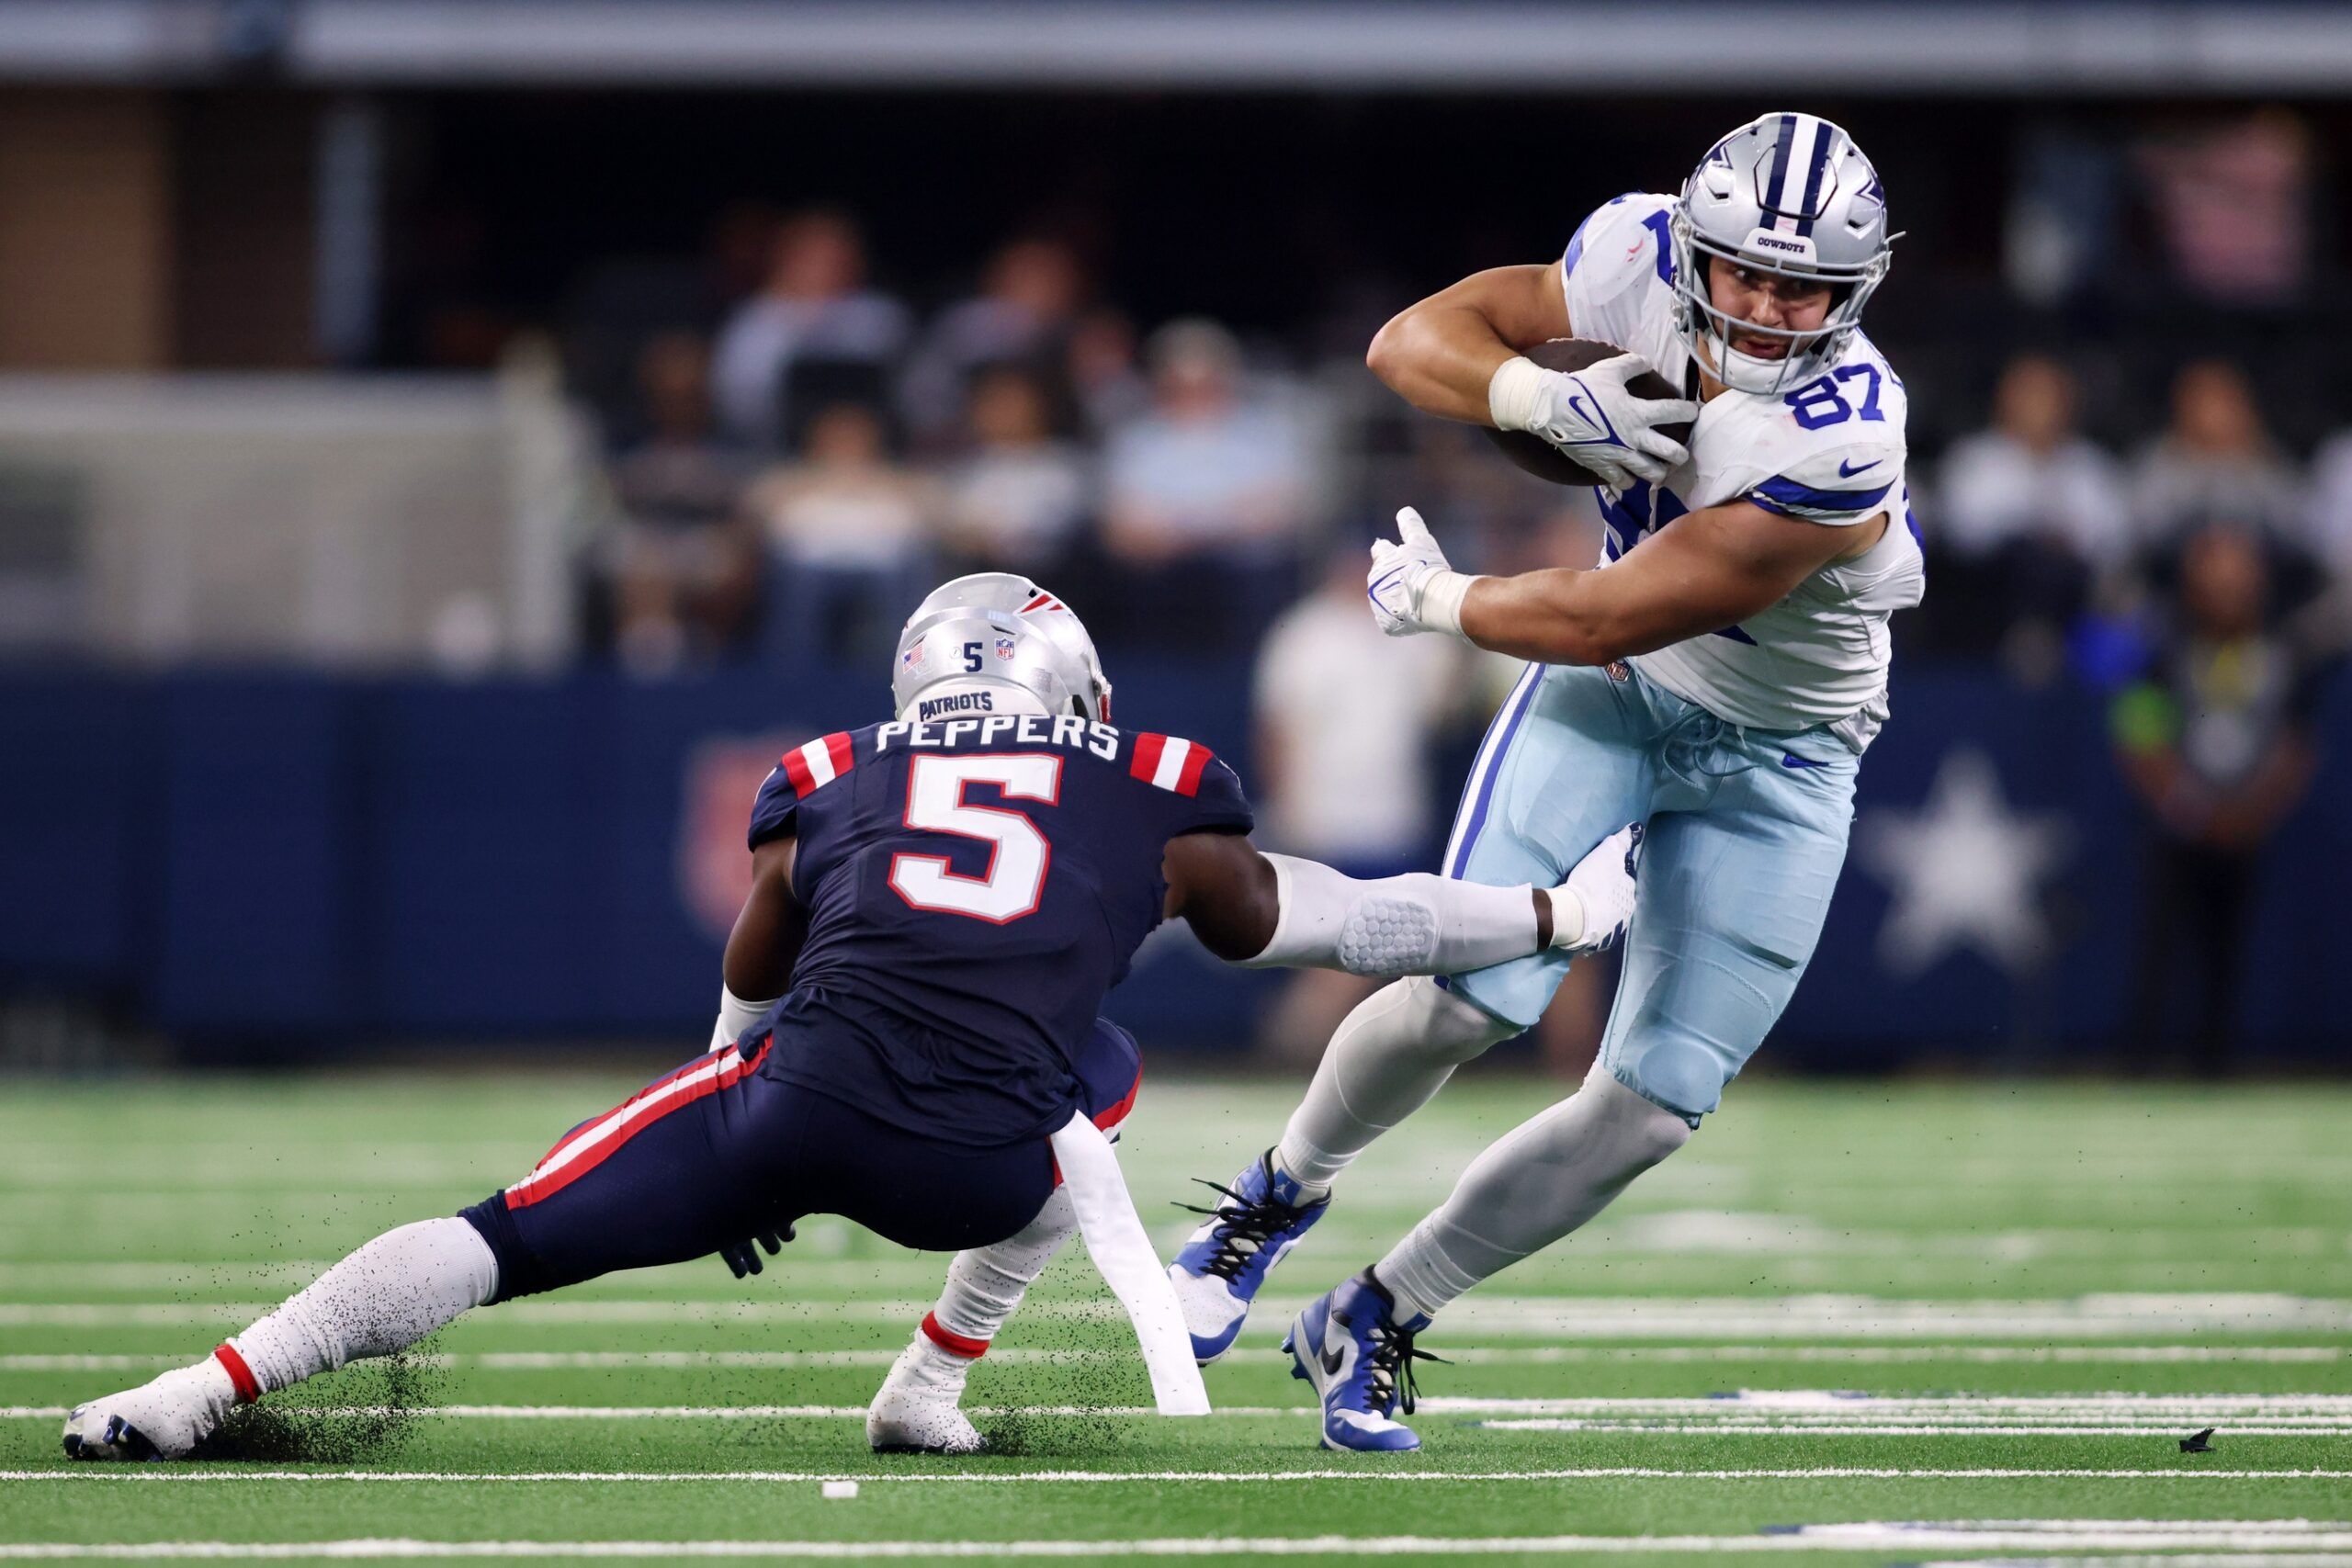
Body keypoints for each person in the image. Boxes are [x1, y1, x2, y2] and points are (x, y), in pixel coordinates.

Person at [62, 573, 1641, 1463]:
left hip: (793, 1098)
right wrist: (1557, 916)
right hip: (980, 1169)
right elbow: (1355, 920)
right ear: (1073, 687)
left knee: (507, 1231)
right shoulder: (1154, 784)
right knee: (1097, 1070)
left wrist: (728, 1098)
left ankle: (202, 1390)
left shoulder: (829, 771)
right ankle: (930, 1380)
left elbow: (765, 935)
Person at [1167, 113, 1923, 1453]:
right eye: (1739, 271)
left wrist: (1447, 600)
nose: (1760, 306)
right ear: (1692, 246)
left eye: (1798, 286)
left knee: (1652, 1105)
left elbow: (1612, 612)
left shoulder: (1839, 435)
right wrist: (1525, 393)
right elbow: (1409, 342)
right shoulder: (1631, 253)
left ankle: (1380, 1309)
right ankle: (1274, 1198)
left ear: (1853, 295)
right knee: (1479, 993)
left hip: (1779, 745)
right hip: (1617, 705)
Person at [2112, 525, 2318, 1076]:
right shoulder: (2164, 646)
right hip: (2177, 825)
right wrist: (2187, 805)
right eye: (2217, 579)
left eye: (2239, 579)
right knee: (2161, 949)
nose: (2230, 591)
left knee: (2229, 952)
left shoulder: (2282, 651)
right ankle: (2142, 1064)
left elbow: (2298, 745)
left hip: (2245, 825)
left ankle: (2217, 1064)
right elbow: (2138, 730)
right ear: (2193, 584)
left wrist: (2250, 812)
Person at [1933, 353, 2129, 656]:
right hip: (1992, 605)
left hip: (2078, 606)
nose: (2037, 405)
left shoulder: (2093, 469)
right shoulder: (1973, 460)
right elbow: (1962, 536)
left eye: (2048, 394)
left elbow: (2115, 548)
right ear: (2003, 398)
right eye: (2027, 392)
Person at [709, 209, 912, 450]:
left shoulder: (880, 314)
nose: (823, 267)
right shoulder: (753, 319)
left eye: (836, 258)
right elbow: (737, 400)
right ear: (785, 260)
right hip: (772, 449)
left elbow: (909, 393)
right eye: (812, 257)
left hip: (871, 450)